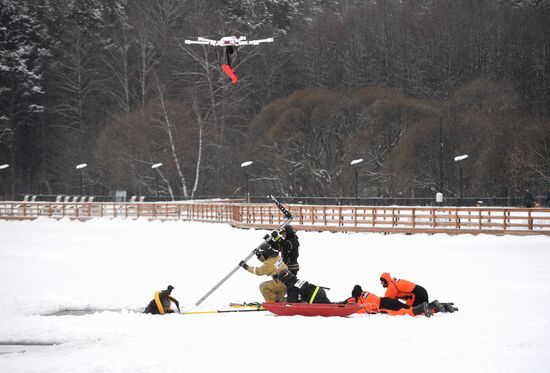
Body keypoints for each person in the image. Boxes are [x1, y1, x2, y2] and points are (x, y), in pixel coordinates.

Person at [344, 285, 430, 317]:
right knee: (406, 307)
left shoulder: (359, 301)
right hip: (385, 300)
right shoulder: (365, 293)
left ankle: (420, 309)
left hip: (382, 306)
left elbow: (362, 309)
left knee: (400, 312)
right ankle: (433, 307)